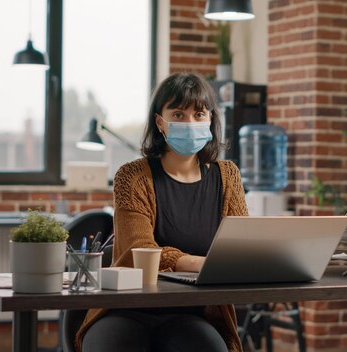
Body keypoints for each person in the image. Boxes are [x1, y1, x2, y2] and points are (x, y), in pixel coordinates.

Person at [74, 72, 248, 352]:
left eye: (199, 114)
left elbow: (242, 246)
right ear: (160, 122)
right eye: (178, 114)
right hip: (126, 309)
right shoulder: (133, 176)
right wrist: (201, 263)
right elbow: (138, 249)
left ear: (210, 120)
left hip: (192, 314)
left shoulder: (227, 176)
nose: (189, 123)